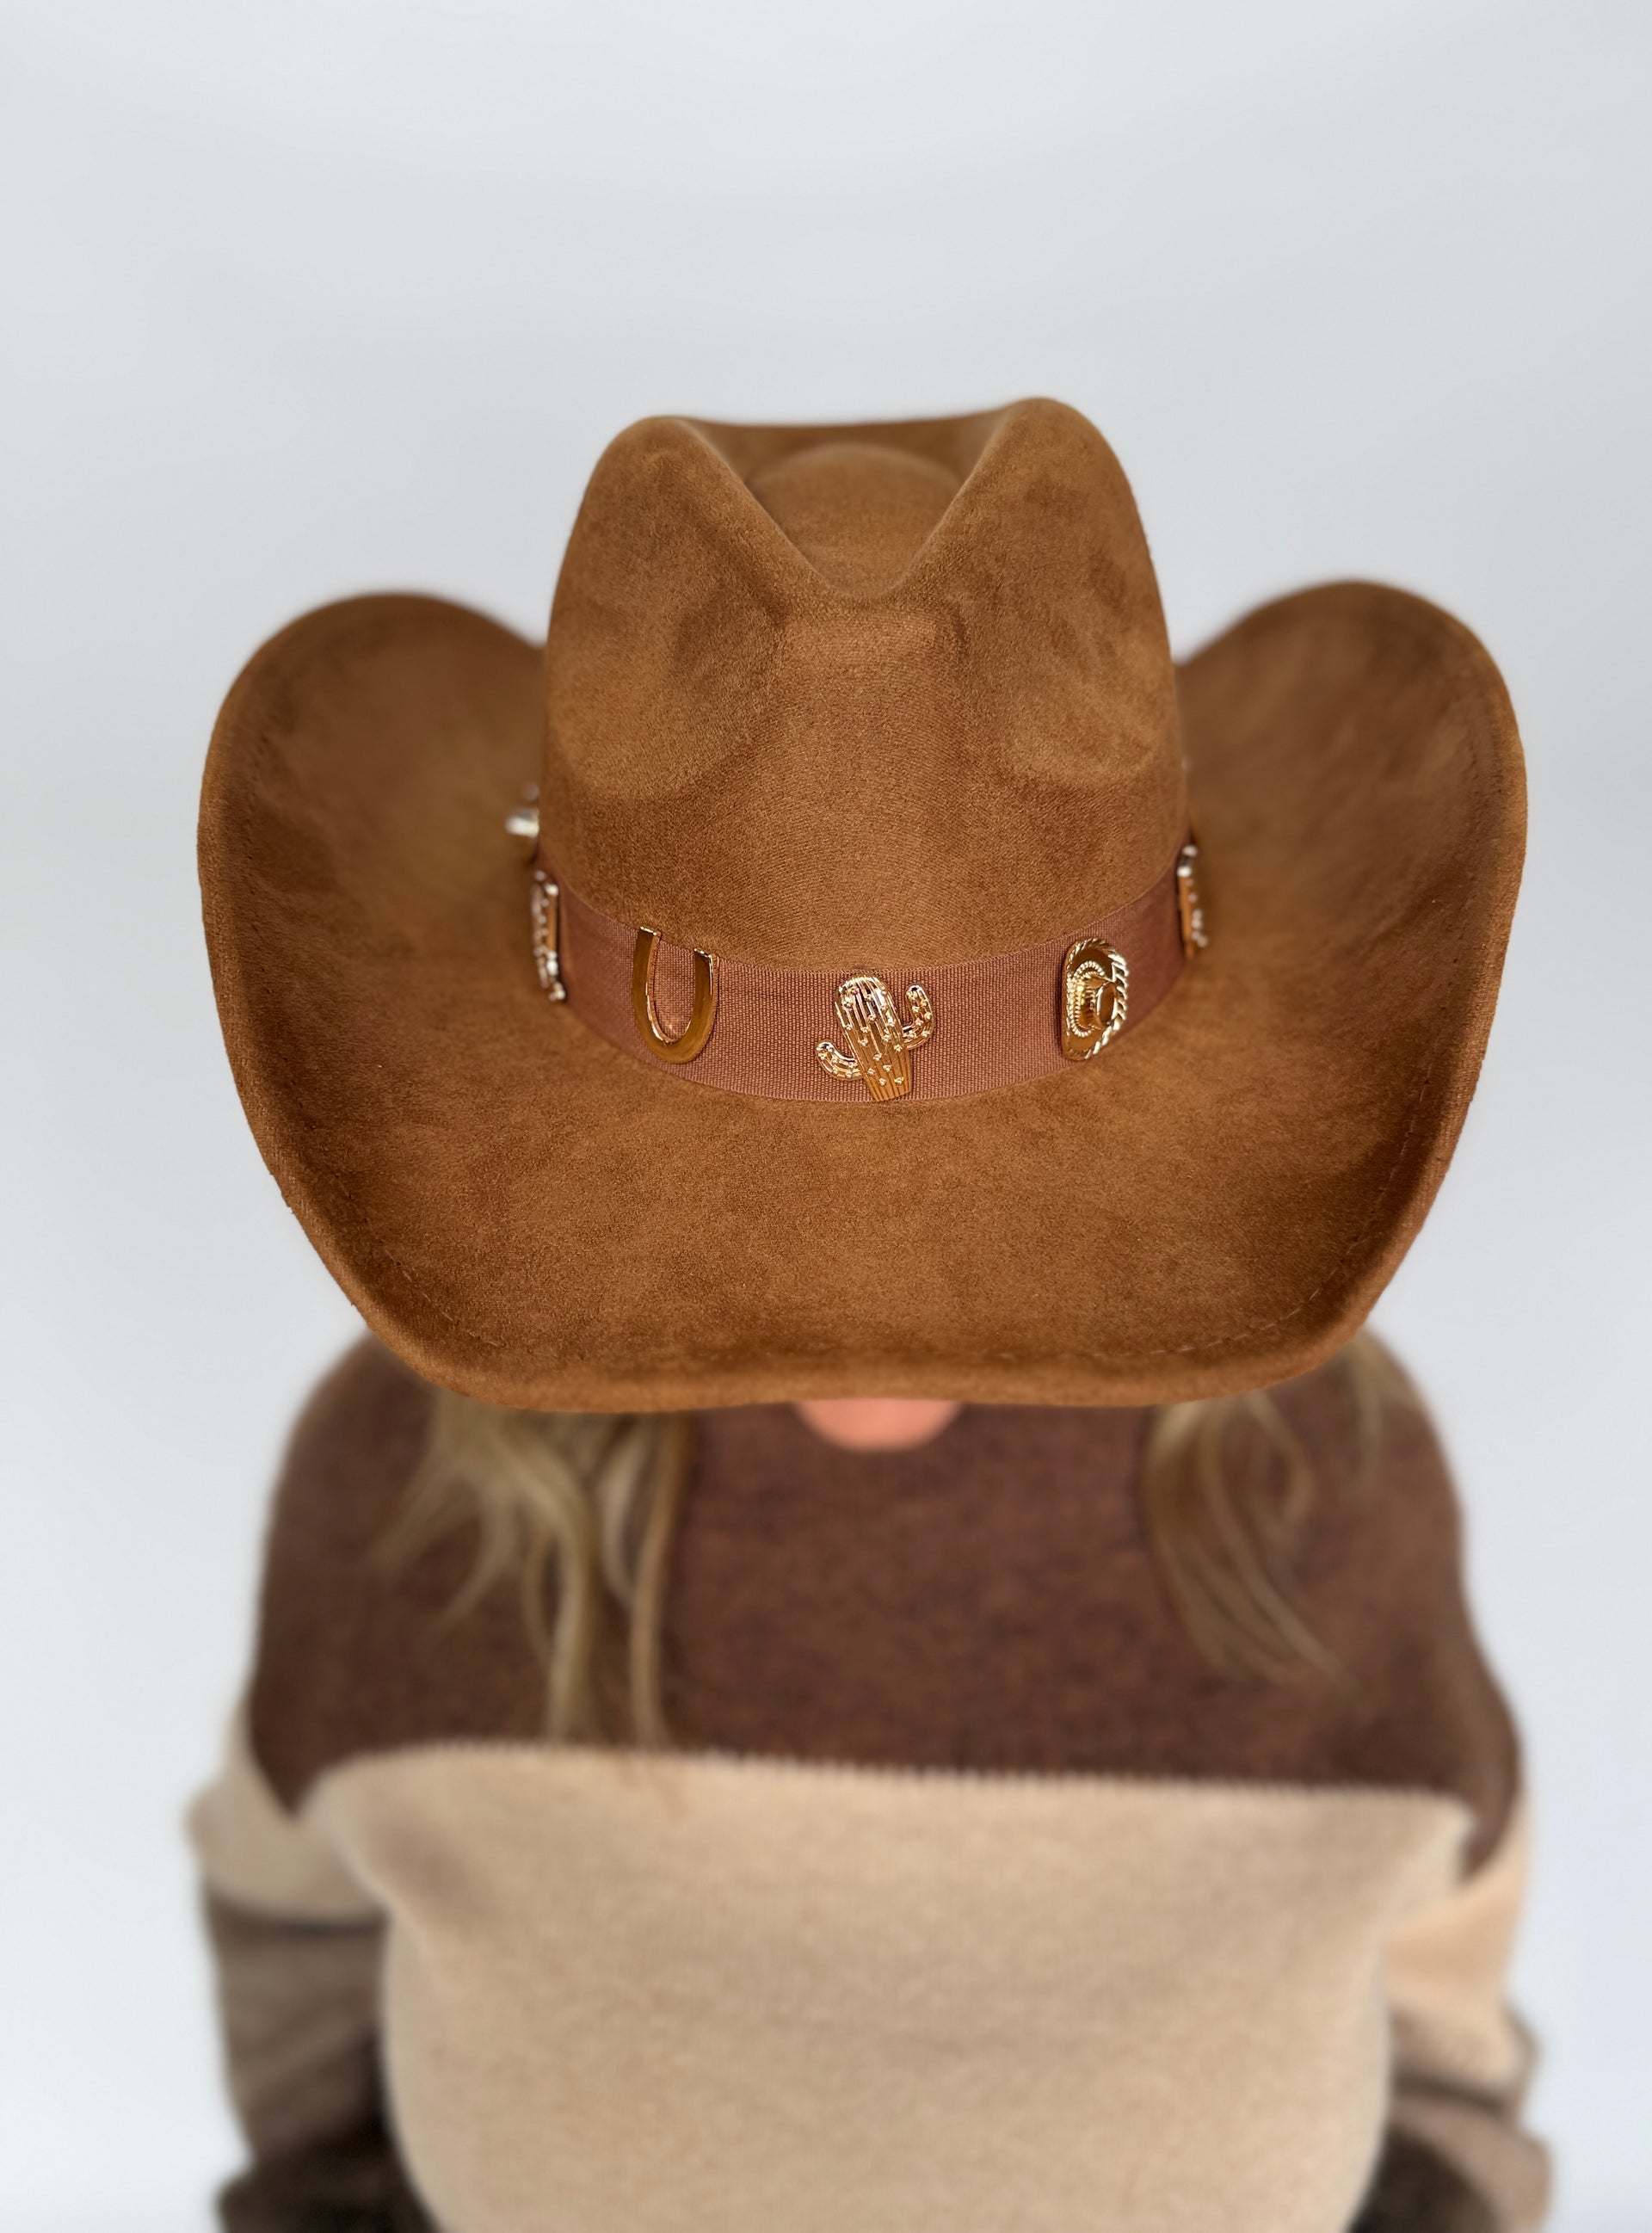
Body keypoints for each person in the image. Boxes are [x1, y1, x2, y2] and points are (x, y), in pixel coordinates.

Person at [190, 400, 1545, 2232]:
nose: (874, 1336)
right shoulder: (403, 1488)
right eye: (780, 1206)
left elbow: (1449, 2048)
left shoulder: (1334, 1482)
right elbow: (293, 1982)